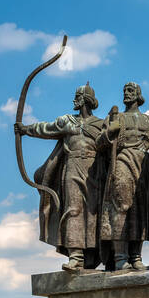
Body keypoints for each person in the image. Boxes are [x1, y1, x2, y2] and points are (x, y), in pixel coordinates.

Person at [16, 83, 107, 271]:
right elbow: (45, 128)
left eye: (78, 96)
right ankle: (76, 256)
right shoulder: (67, 122)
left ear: (85, 100)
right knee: (73, 208)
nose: (75, 99)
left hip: (95, 170)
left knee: (93, 212)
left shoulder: (100, 124)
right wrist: (25, 129)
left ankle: (93, 254)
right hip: (72, 167)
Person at [97, 81, 149, 271]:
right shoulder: (116, 117)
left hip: (143, 164)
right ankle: (120, 257)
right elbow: (100, 142)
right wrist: (109, 133)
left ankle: (135, 256)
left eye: (130, 91)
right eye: (124, 91)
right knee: (120, 207)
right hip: (122, 161)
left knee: (139, 210)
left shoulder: (148, 121)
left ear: (138, 94)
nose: (126, 94)